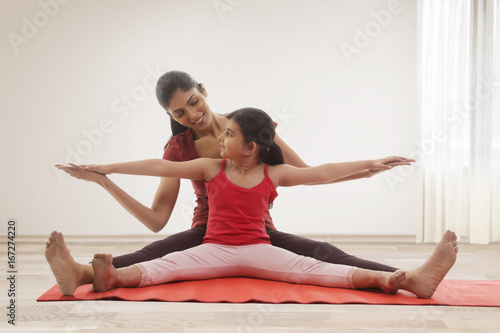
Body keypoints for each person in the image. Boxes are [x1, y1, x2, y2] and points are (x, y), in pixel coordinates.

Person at [47, 71, 457, 298]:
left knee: (324, 252)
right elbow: (157, 215)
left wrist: (370, 166)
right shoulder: (184, 150)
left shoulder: (252, 128)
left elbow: (312, 172)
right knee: (156, 252)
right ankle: (80, 273)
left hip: (257, 231)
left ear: (203, 90)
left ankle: (411, 277)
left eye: (193, 100)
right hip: (208, 231)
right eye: (179, 111)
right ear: (171, 116)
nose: (192, 114)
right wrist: (105, 177)